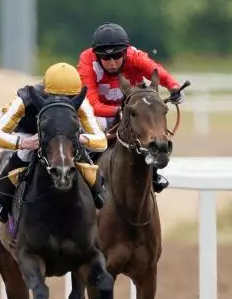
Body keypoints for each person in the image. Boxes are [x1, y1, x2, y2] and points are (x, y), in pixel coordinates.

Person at [0, 62, 108, 221]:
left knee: (78, 152)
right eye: (54, 97)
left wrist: (78, 138)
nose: (62, 102)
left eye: (68, 98)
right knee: (25, 153)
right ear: (45, 92)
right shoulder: (25, 99)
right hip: (27, 130)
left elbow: (101, 141)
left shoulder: (81, 102)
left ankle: (98, 192)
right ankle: (0, 196)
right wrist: (24, 143)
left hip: (62, 134)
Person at [77, 22, 185, 192]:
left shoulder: (135, 56)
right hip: (102, 113)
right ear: (97, 56)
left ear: (125, 52)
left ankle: (153, 172)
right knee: (95, 125)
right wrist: (117, 111)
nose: (112, 63)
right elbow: (91, 105)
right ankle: (85, 171)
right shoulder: (86, 60)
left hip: (132, 109)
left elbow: (156, 71)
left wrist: (173, 87)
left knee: (150, 125)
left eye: (117, 56)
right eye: (106, 58)